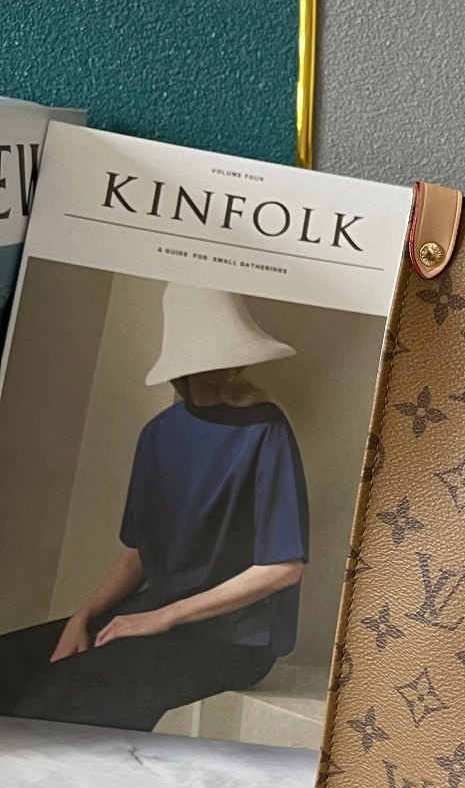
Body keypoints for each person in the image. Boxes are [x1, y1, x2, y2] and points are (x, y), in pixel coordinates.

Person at [0, 284, 310, 732]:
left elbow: (282, 569)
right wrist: (83, 617)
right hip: (154, 614)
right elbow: (141, 554)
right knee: (9, 666)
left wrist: (163, 617)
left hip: (234, 639)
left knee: (59, 697)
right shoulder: (158, 434)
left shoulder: (265, 427)